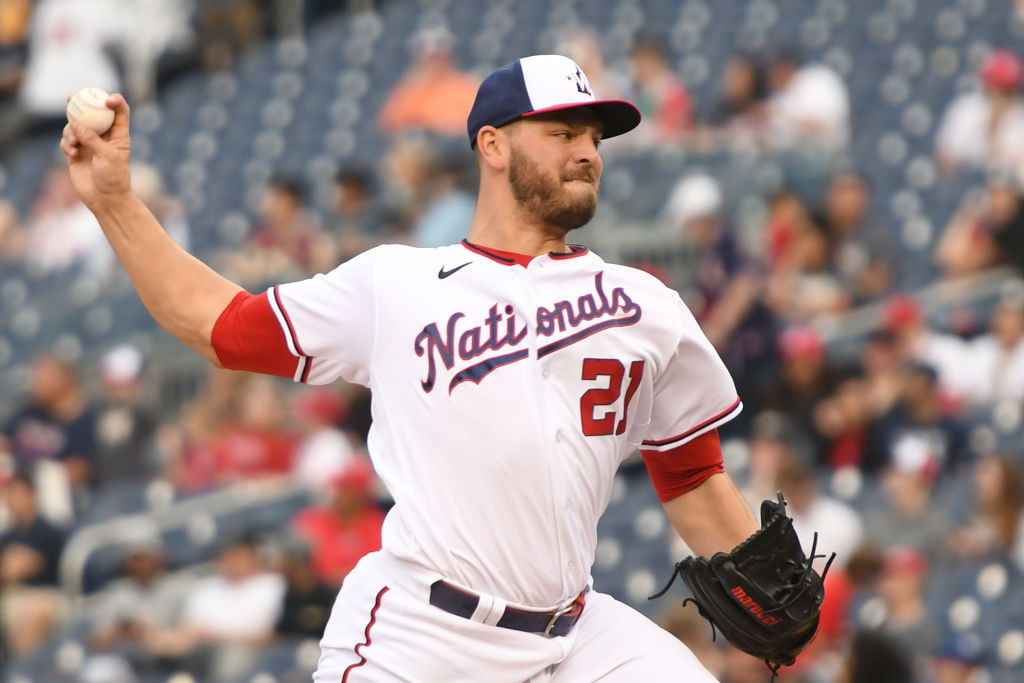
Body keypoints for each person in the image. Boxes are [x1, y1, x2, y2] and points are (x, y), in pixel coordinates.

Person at [62, 54, 806, 681]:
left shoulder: (643, 305)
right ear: (492, 145)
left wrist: (764, 579)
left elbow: (690, 469)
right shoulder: (395, 285)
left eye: (594, 136)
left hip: (578, 638)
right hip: (421, 635)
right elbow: (217, 325)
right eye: (562, 132)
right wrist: (117, 201)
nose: (587, 150)